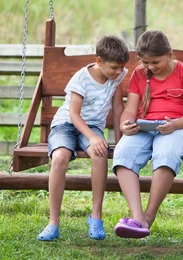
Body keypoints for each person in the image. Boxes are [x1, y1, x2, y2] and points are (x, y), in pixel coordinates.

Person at [37, 35, 130, 242]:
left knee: (99, 154)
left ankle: (95, 216)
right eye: (114, 67)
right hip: (66, 125)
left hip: (94, 126)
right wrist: (92, 137)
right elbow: (73, 115)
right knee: (60, 158)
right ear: (99, 61)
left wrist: (120, 139)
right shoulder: (81, 78)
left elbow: (117, 107)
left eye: (121, 67)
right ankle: (53, 222)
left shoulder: (118, 76)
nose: (118, 72)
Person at [112, 30, 183, 239]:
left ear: (170, 54)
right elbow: (130, 108)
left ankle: (148, 217)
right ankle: (137, 218)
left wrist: (175, 125)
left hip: (175, 128)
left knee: (166, 154)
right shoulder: (139, 74)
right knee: (123, 154)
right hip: (145, 128)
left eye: (155, 62)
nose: (150, 67)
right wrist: (125, 125)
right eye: (145, 63)